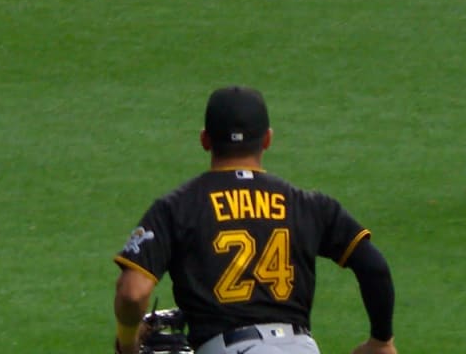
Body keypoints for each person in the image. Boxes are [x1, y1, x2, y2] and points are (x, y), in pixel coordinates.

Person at [113, 86, 397, 354]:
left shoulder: (178, 206)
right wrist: (381, 341)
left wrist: (128, 341)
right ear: (267, 139)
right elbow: (374, 267)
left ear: (205, 140)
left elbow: (133, 293)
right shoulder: (307, 205)